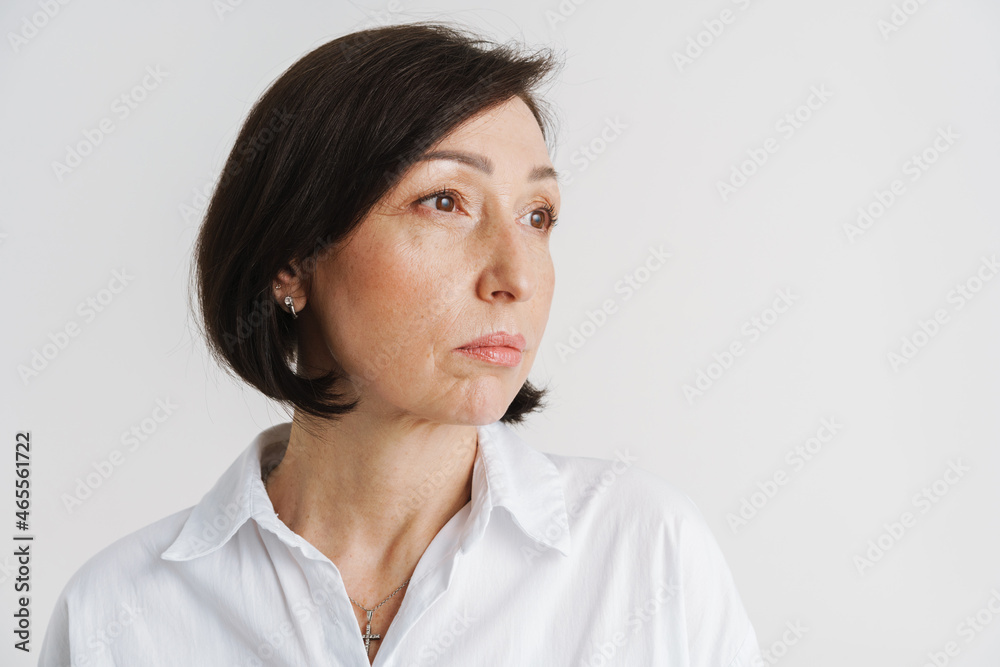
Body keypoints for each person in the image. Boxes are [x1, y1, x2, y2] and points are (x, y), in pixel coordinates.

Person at [39, 21, 761, 666]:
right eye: (444, 201)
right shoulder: (116, 613)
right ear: (292, 259)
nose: (515, 276)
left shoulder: (646, 555)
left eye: (537, 215)